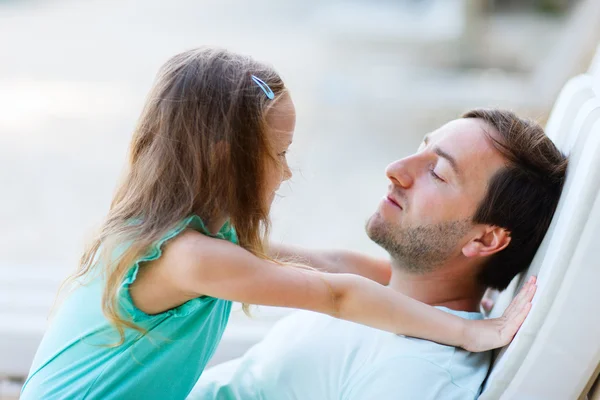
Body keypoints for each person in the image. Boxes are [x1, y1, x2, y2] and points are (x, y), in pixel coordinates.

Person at [20, 49, 534, 400]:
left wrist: (456, 295)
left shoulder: (186, 237)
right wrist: (471, 333)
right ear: (227, 161)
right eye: (280, 153)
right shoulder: (193, 258)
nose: (287, 171)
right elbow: (335, 293)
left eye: (437, 171)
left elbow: (331, 264)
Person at [191, 109, 567, 400]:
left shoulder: (417, 373)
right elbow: (315, 263)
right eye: (421, 148)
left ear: (484, 241)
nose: (395, 170)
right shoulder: (387, 289)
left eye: (436, 173)